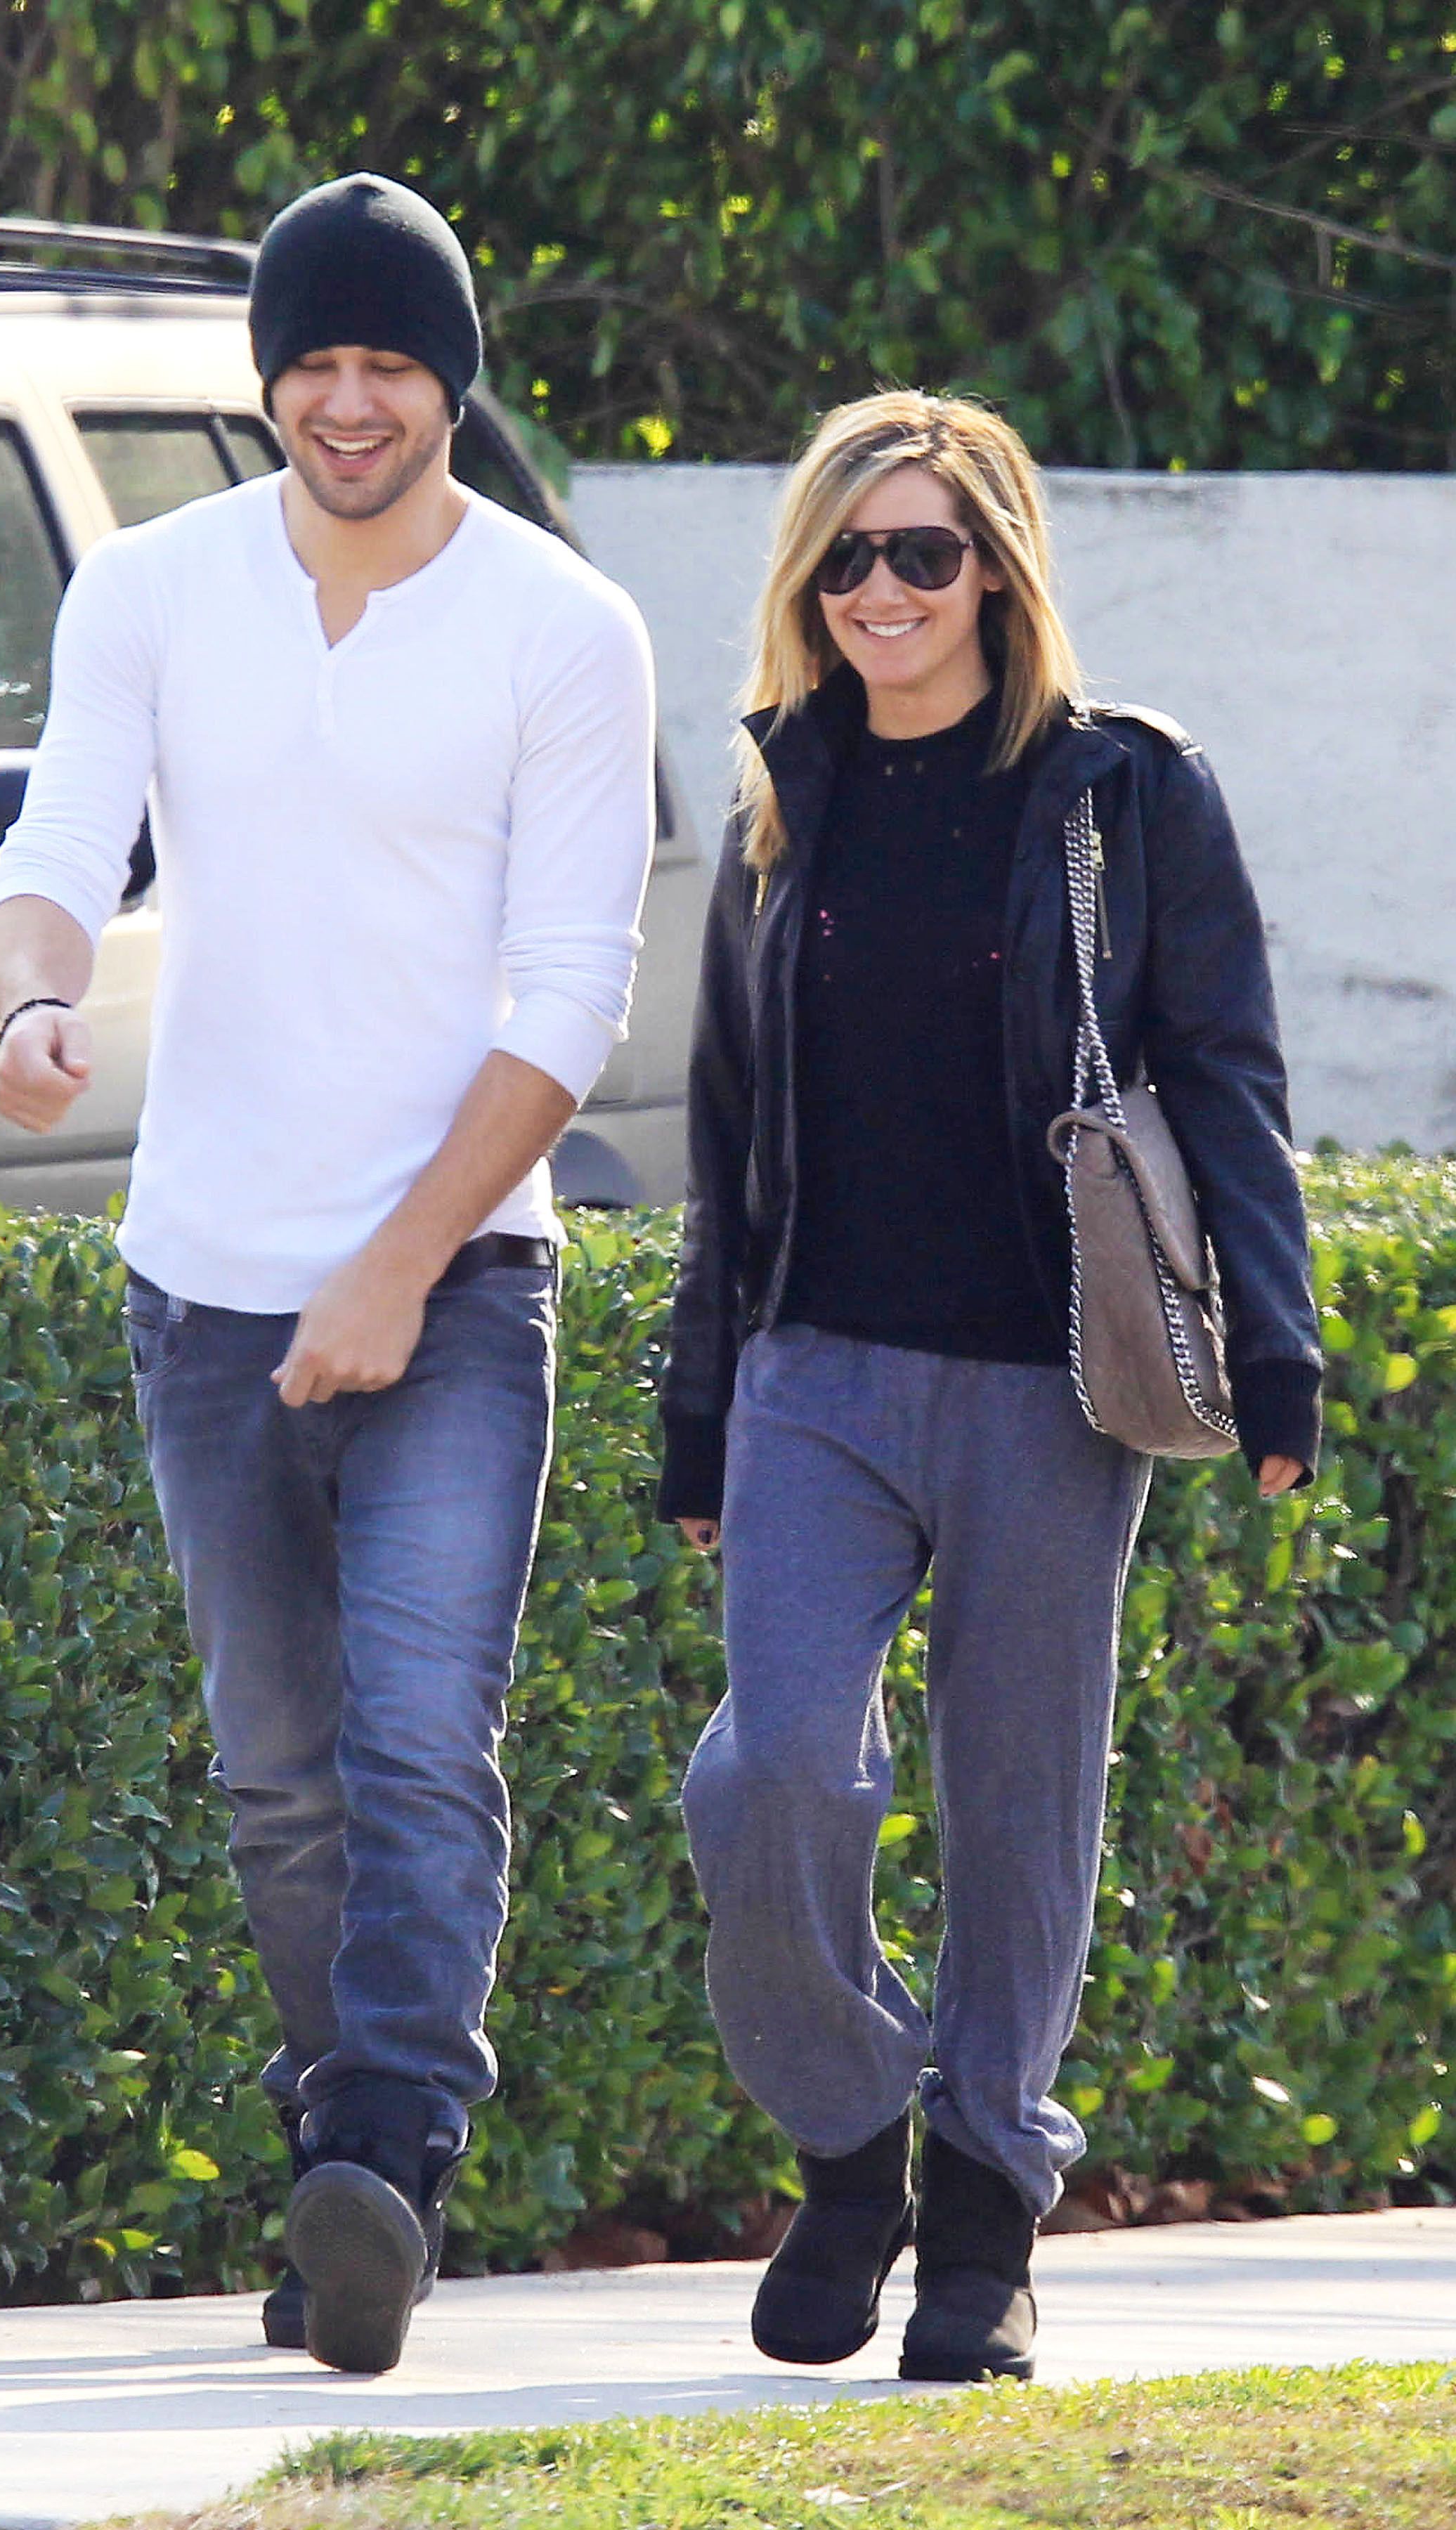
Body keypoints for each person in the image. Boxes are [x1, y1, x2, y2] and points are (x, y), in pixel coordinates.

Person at [0, 173, 655, 2375]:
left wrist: (395, 1266)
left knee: (420, 1740)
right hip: (204, 1280)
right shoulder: (154, 587)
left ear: (451, 380)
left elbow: (570, 998)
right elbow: (61, 845)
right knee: (282, 1775)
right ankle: (335, 2184)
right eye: (315, 362)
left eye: (391, 364)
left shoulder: (563, 627)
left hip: (459, 1290)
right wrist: (33, 999)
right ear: (269, 374)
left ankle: (388, 2151)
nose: (350, 402)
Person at [658, 389, 1318, 2385]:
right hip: (818, 1371)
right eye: (846, 557)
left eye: (925, 552)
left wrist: (1277, 1345)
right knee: (772, 1771)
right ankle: (855, 2135)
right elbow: (724, 1128)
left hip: (1049, 1375)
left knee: (1021, 1808)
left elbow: (1222, 1066)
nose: (883, 590)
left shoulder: (1121, 793)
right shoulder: (787, 796)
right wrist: (701, 1404)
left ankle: (984, 2215)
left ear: (999, 572)